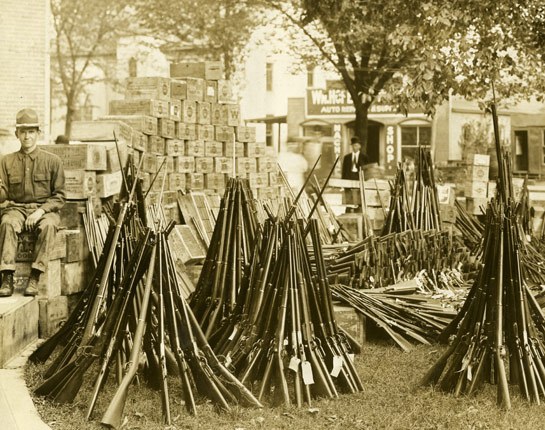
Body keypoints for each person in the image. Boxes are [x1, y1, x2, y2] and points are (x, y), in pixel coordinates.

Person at [0, 108, 65, 297]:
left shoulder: (52, 161)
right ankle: (7, 277)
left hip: (44, 210)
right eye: (23, 132)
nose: (27, 136)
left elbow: (60, 196)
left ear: (38, 133)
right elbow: (3, 195)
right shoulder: (6, 161)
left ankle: (35, 276)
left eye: (31, 132)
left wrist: (41, 211)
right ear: (17, 134)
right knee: (7, 222)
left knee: (49, 226)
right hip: (16, 208)